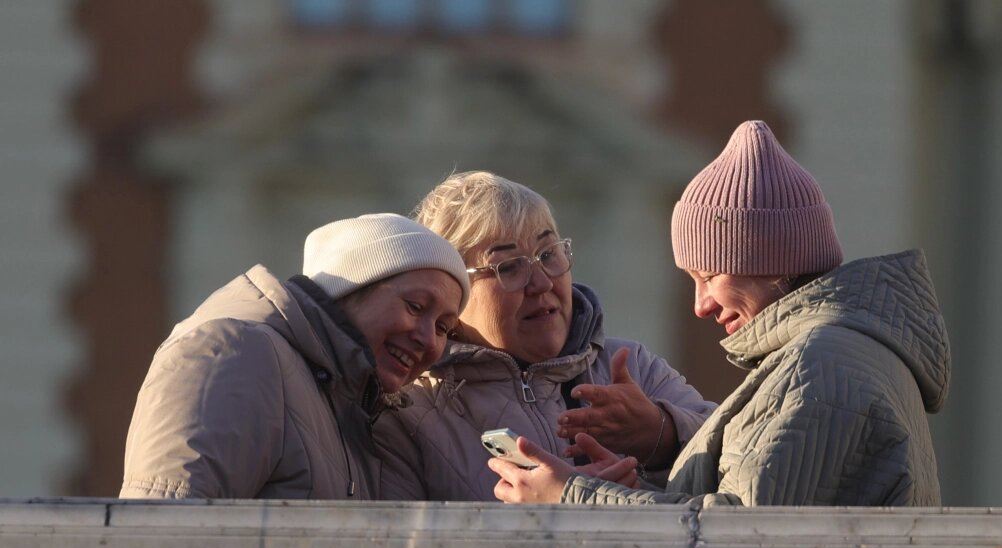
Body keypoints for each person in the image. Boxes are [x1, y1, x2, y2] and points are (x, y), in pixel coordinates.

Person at [489, 120, 951, 507]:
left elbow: (736, 542)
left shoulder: (821, 365)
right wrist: (640, 488)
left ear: (768, 261)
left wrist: (571, 496)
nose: (700, 305)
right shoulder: (838, 352)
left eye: (709, 275)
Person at [372, 171, 717, 501]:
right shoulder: (408, 412)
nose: (542, 283)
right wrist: (556, 514)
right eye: (508, 267)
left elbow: (740, 468)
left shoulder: (630, 368)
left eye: (548, 254)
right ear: (452, 292)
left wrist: (660, 435)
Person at [120, 214, 470, 499]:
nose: (427, 339)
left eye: (443, 327)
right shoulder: (235, 352)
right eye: (415, 306)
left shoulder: (347, 405)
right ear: (350, 290)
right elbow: (162, 538)